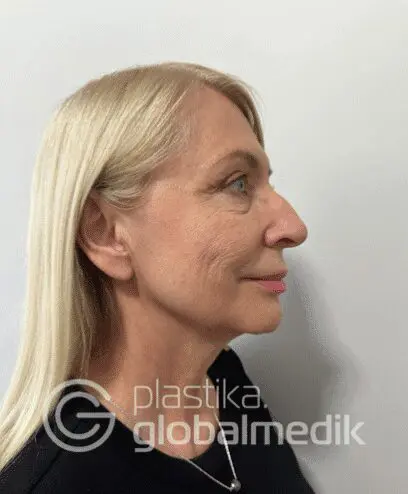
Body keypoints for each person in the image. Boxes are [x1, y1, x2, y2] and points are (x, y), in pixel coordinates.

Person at [0, 61, 313, 493]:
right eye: (237, 183)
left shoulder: (225, 384)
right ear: (105, 233)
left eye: (265, 184)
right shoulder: (56, 482)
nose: (293, 227)